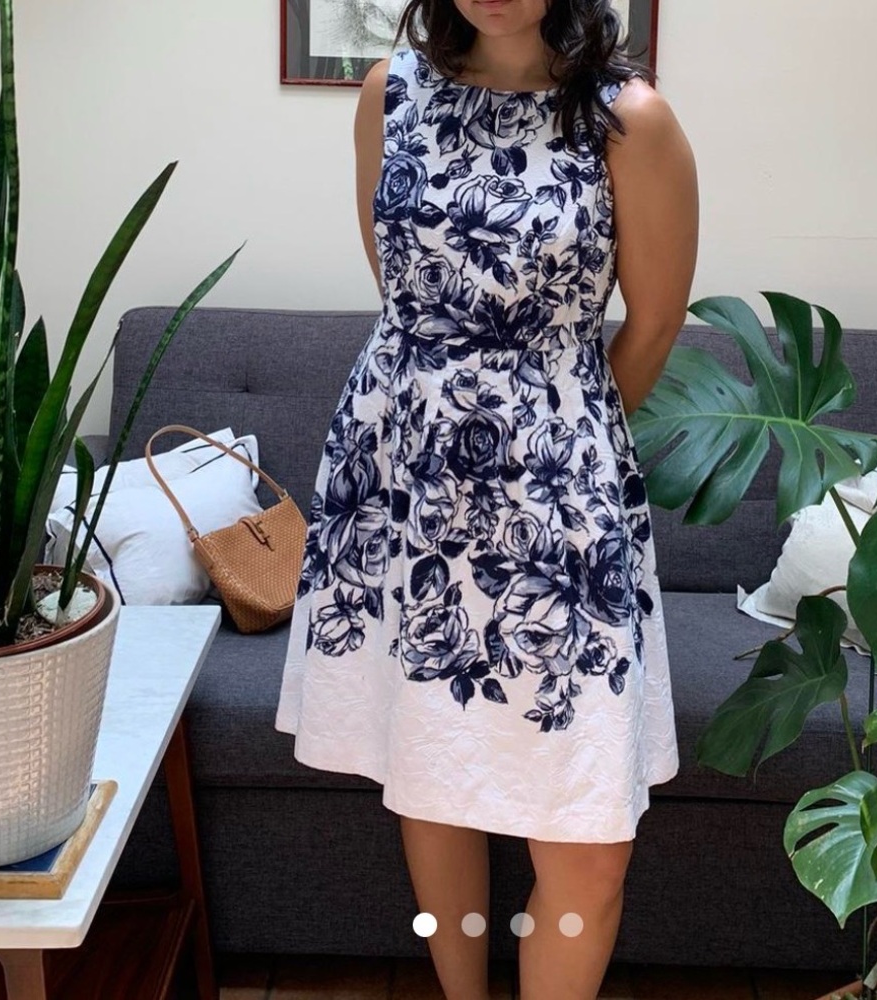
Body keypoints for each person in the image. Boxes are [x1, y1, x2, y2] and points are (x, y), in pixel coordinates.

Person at [275, 0, 699, 996]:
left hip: (556, 510)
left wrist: (548, 434)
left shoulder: (631, 119)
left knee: (589, 843)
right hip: (401, 486)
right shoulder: (391, 95)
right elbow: (406, 299)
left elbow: (652, 324)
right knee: (430, 777)